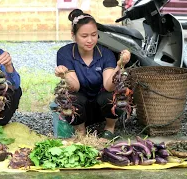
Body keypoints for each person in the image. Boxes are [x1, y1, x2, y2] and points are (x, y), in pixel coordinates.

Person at [54, 9, 131, 139]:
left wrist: (119, 65)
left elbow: (109, 86)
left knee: (112, 95)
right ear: (73, 35)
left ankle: (109, 128)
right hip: (79, 108)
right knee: (69, 97)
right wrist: (65, 75)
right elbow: (75, 87)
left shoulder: (106, 54)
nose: (90, 40)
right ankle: (80, 131)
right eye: (84, 36)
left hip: (102, 108)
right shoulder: (65, 53)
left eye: (94, 35)